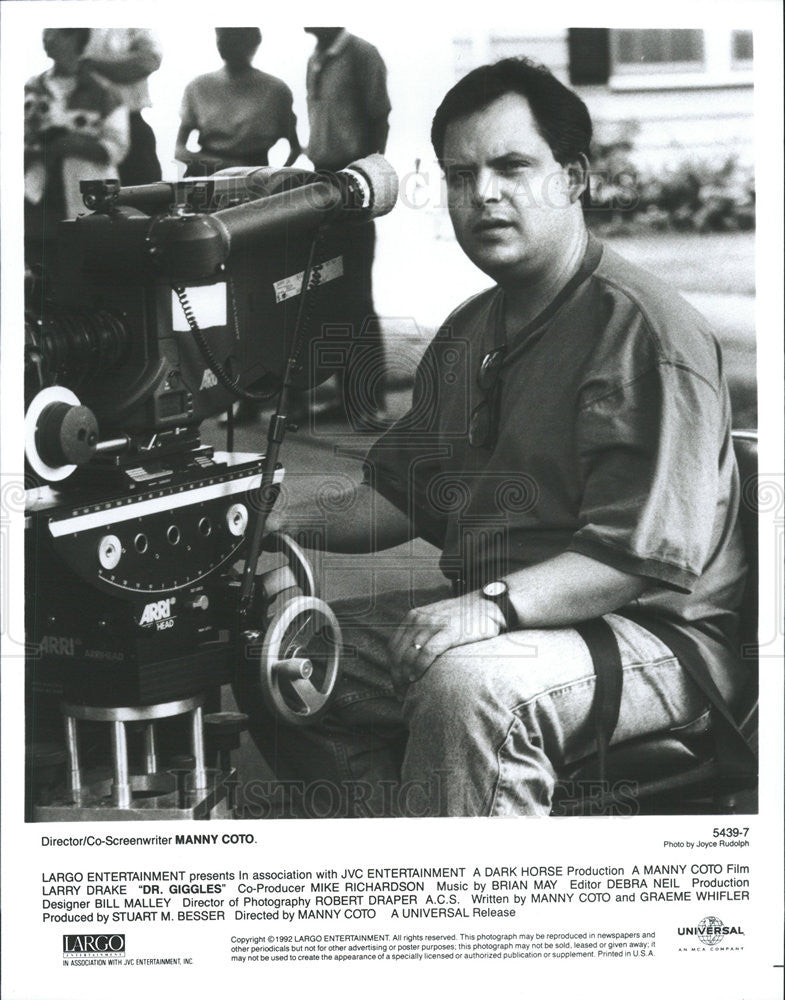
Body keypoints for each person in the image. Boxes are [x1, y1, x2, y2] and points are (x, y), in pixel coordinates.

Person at [248, 57, 749, 818]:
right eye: (458, 175)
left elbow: (632, 559)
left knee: (470, 686)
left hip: (651, 637)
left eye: (511, 166)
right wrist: (274, 515)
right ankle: (408, 860)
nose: (481, 193)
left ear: (573, 178)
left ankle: (477, 901)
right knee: (281, 659)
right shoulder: (465, 332)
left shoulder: (643, 334)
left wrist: (487, 610)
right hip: (507, 613)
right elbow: (398, 497)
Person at [303, 27, 392, 424]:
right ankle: (344, 395)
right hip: (323, 180)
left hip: (353, 181)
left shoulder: (361, 53)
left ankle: (367, 401)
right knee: (331, 292)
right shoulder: (317, 56)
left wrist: (364, 179)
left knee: (356, 294)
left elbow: (379, 118)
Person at [25, 28, 129, 269]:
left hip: (86, 194)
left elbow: (116, 147)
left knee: (86, 266)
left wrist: (69, 144)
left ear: (75, 38)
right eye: (45, 32)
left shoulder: (103, 92)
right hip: (39, 196)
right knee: (41, 270)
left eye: (54, 33)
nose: (46, 37)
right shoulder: (32, 88)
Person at [175, 27, 301, 178]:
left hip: (253, 178)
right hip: (208, 175)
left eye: (235, 37)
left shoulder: (275, 90)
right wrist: (224, 165)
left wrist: (273, 179)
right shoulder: (198, 86)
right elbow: (179, 150)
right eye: (222, 36)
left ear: (253, 42)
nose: (225, 43)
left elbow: (294, 148)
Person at [80, 28, 162, 185]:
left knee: (146, 199)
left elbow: (148, 61)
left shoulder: (132, 25)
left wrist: (92, 65)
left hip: (133, 126)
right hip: (86, 130)